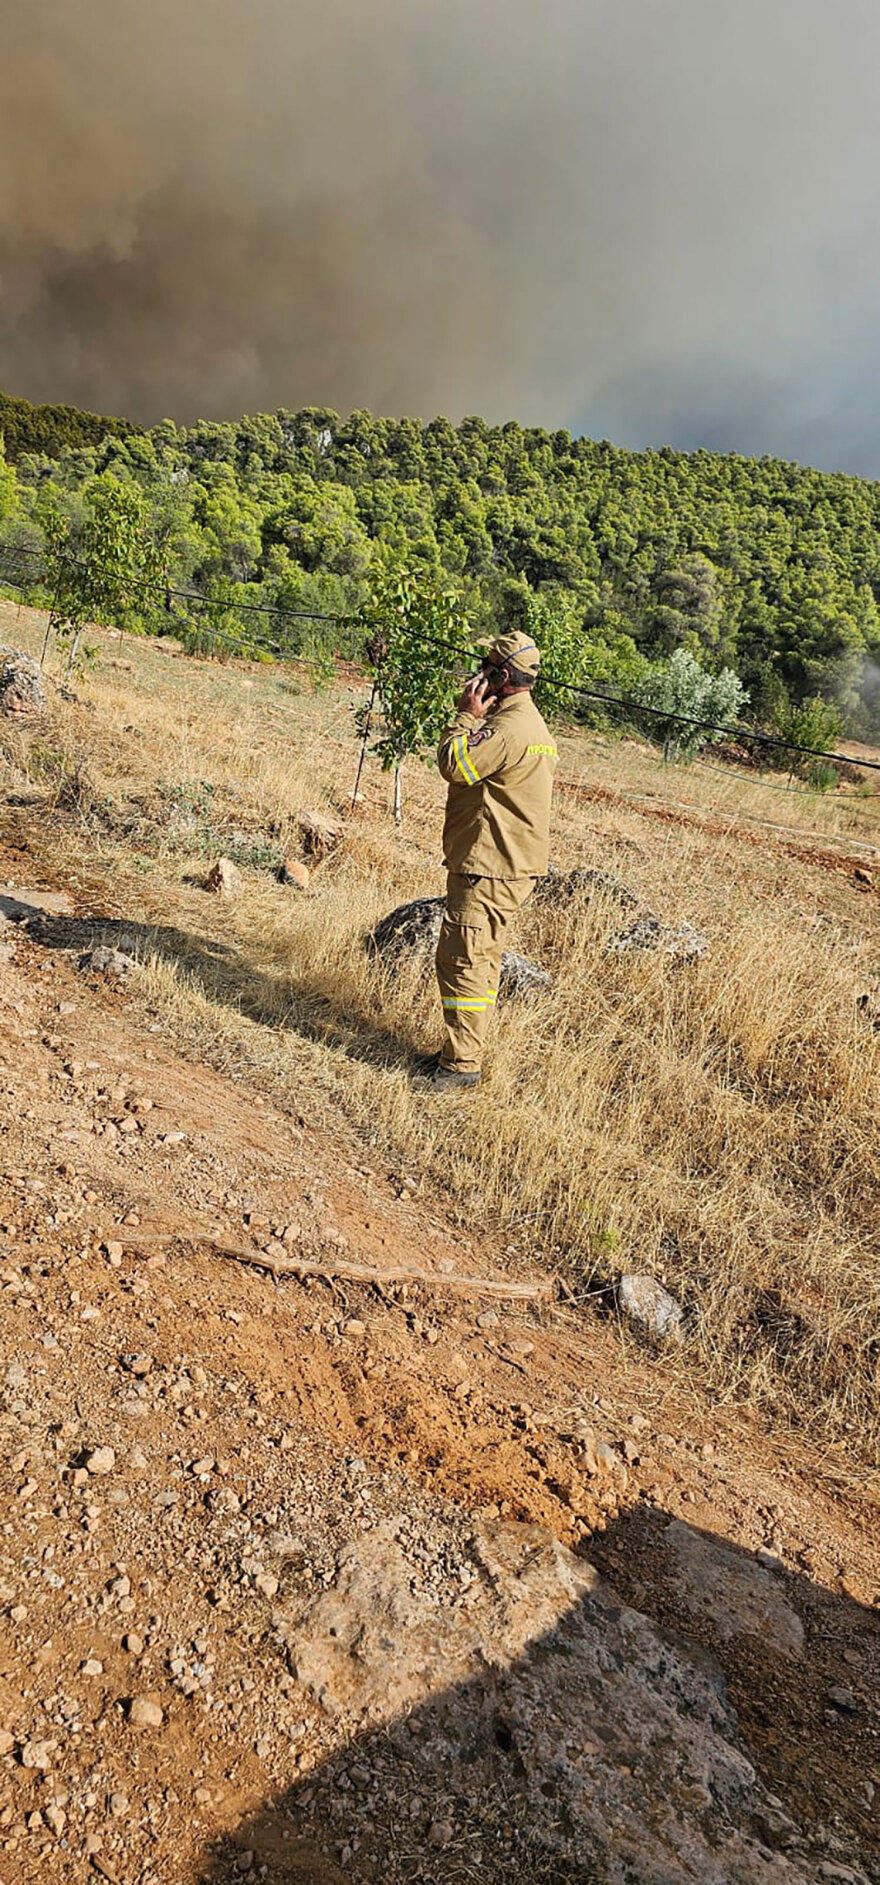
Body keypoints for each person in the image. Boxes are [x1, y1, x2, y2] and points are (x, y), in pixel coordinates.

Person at [428, 629, 558, 1091]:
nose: (478, 670)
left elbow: (455, 764)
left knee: (464, 960)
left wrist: (464, 717)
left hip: (489, 864)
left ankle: (461, 1067)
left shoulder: (505, 729)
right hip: (509, 863)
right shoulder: (531, 724)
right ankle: (459, 1053)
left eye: (486, 665)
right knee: (480, 961)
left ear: (501, 676)